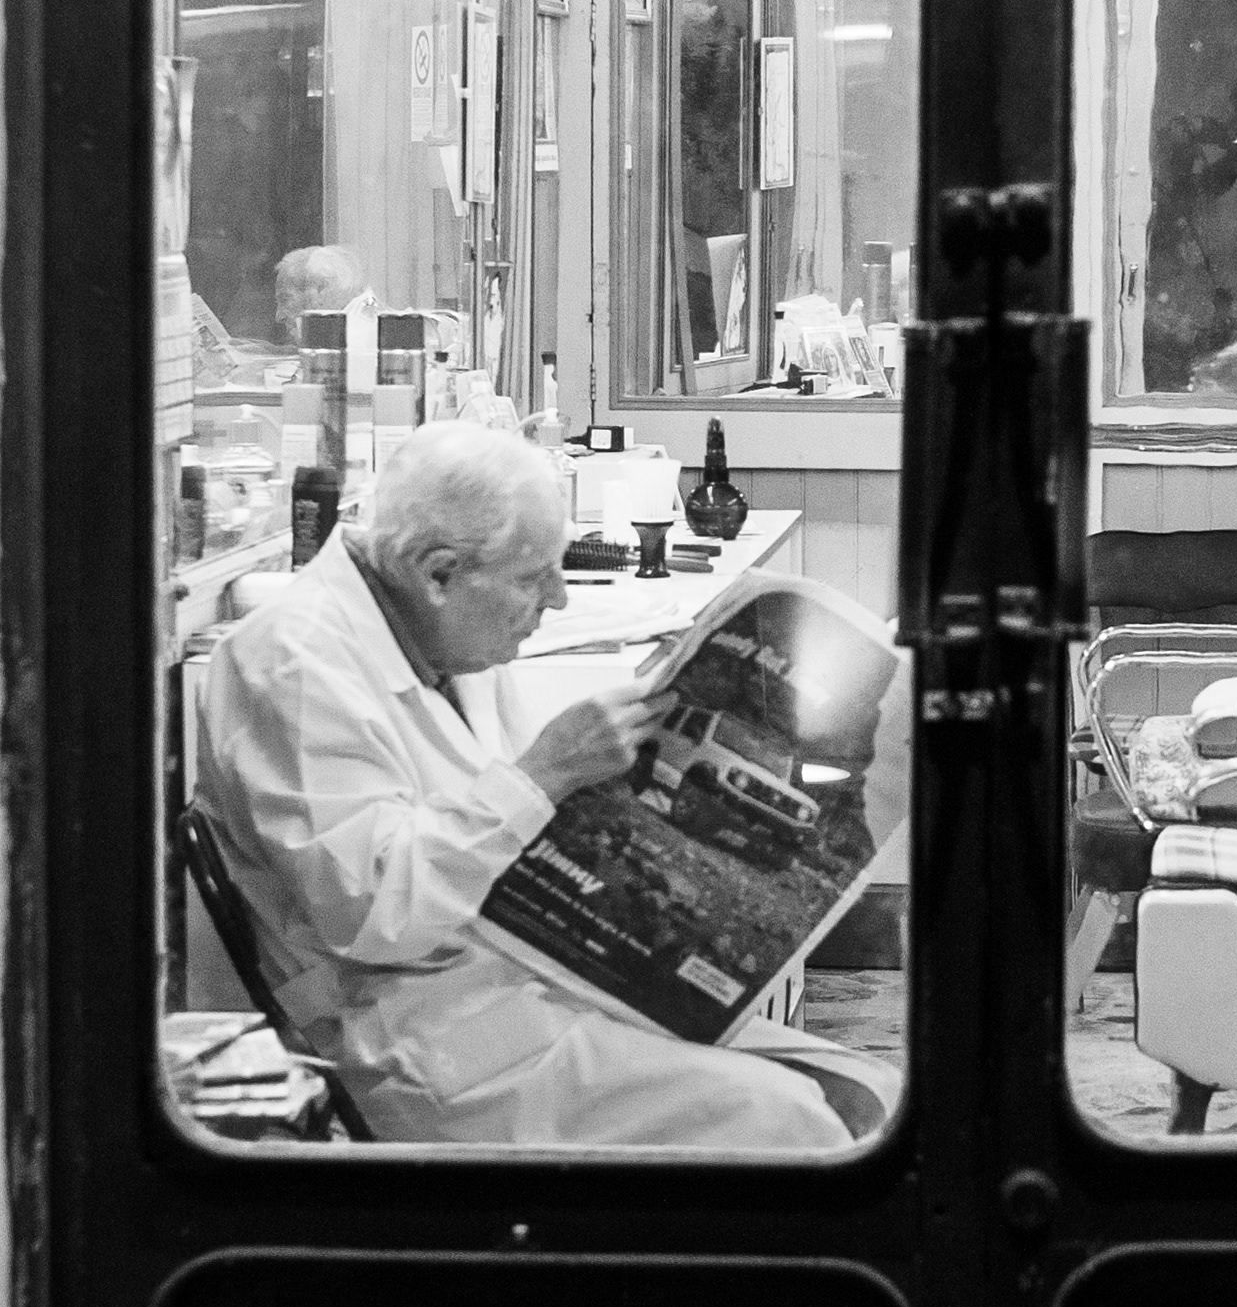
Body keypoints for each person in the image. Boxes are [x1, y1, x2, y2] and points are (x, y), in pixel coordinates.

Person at [195, 422, 865, 1151]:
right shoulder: (291, 667)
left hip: (525, 980)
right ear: (438, 573)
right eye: (532, 577)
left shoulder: (446, 641)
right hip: (424, 1037)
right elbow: (374, 915)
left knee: (864, 1095)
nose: (558, 599)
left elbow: (510, 827)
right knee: (789, 1123)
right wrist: (546, 772)